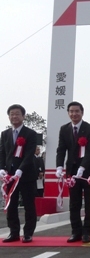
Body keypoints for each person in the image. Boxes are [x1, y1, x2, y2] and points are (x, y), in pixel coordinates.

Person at [56, 101, 90, 244]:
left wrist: (83, 167)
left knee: (89, 202)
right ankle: (76, 231)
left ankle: (88, 231)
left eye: (77, 111)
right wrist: (59, 167)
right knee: (74, 203)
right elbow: (61, 149)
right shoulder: (64, 129)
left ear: (82, 112)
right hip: (72, 171)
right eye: (71, 111)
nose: (74, 114)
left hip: (89, 171)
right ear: (68, 113)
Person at [0, 104, 37, 243]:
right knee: (11, 204)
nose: (14, 116)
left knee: (29, 204)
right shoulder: (5, 134)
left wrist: (21, 170)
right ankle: (13, 232)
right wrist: (1, 168)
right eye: (12, 114)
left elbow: (29, 154)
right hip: (10, 176)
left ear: (23, 116)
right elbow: (2, 152)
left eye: (17, 114)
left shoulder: (30, 133)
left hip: (26, 175)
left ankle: (28, 233)